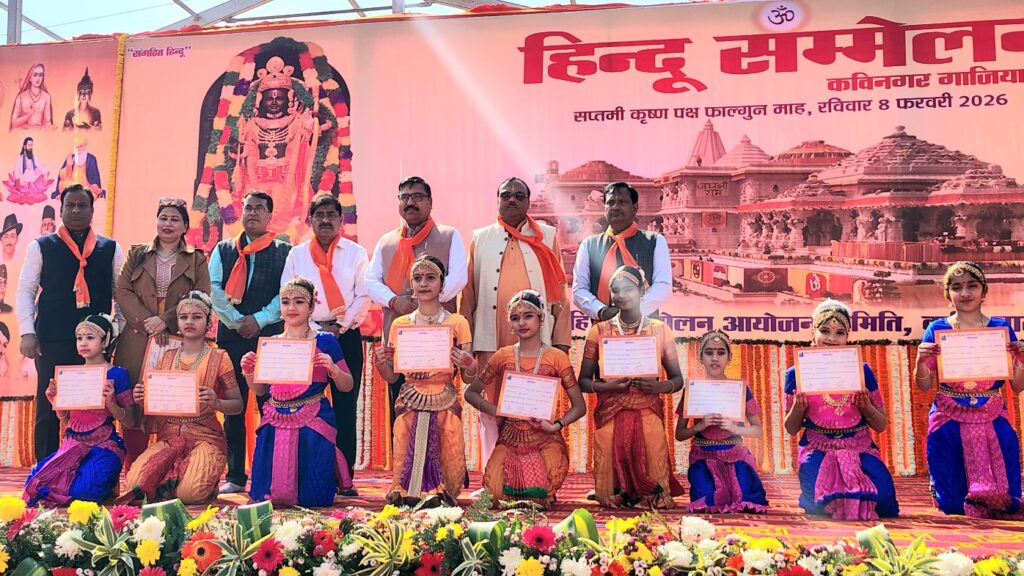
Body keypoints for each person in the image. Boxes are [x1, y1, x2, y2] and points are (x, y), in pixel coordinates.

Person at [461, 177, 570, 466]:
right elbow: (469, 293)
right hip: (491, 338)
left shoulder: (546, 235)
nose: (512, 199)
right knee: (491, 409)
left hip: (536, 343)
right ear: (497, 200)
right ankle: (493, 474)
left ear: (528, 202)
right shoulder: (481, 238)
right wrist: (466, 341)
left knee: (532, 409)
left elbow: (560, 293)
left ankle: (531, 474)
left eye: (519, 195)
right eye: (505, 195)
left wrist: (561, 343)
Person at [17, 184, 124, 462]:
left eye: (82, 205)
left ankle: (85, 467)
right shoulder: (41, 246)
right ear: (62, 209)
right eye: (70, 205)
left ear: (92, 210)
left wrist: (118, 333)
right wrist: (27, 332)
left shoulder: (110, 248)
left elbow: (121, 295)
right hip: (51, 340)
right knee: (48, 407)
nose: (76, 210)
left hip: (95, 345)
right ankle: (45, 470)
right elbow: (25, 291)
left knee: (92, 407)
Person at [916, 261, 1024, 518]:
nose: (965, 293)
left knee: (1006, 498)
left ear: (984, 291)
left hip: (991, 412)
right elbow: (924, 385)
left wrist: (1021, 361)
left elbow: (1018, 386)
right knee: (953, 505)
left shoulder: (1000, 328)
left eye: (972, 286)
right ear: (947, 294)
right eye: (957, 287)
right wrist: (920, 362)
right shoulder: (937, 329)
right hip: (948, 415)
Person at [464, 289, 585, 508]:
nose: (521, 323)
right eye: (515, 317)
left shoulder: (556, 357)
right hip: (510, 436)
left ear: (541, 318)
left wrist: (556, 425)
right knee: (495, 494)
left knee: (540, 491)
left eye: (528, 316)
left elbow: (579, 406)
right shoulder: (503, 356)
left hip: (544, 437)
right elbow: (470, 393)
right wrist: (495, 410)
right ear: (510, 323)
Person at [282, 192, 369, 495]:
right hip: (306, 339)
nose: (326, 220)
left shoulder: (356, 253)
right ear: (310, 220)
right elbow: (287, 292)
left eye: (332, 214)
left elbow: (364, 294)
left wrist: (339, 327)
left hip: (346, 336)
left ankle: (345, 479)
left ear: (341, 219)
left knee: (345, 406)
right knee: (304, 403)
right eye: (319, 215)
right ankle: (304, 471)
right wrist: (316, 330)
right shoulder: (297, 255)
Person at [115, 198, 211, 470]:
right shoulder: (137, 254)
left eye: (175, 219)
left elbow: (202, 294)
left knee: (172, 399)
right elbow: (122, 290)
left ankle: (170, 471)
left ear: (185, 226)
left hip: (176, 338)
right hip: (137, 336)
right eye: (163, 218)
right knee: (135, 401)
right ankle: (135, 470)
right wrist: (148, 321)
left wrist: (166, 320)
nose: (168, 224)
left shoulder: (197, 259)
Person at [241, 277, 355, 506]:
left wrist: (333, 369)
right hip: (275, 420)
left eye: (299, 302)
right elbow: (260, 390)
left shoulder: (325, 341)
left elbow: (347, 385)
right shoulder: (271, 343)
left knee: (313, 498)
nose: (291, 308)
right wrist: (249, 372)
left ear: (312, 307)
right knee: (264, 496)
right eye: (285, 302)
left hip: (313, 419)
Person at [373, 255, 477, 506]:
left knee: (449, 439)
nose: (423, 283)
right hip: (410, 398)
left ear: (442, 285)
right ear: (411, 284)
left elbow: (467, 377)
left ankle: (441, 490)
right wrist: (381, 364)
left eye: (430, 278)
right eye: (418, 278)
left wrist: (470, 365)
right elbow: (392, 376)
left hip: (444, 398)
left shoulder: (457, 323)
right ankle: (406, 489)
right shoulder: (400, 324)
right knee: (403, 434)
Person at [578, 265, 684, 508]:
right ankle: (616, 490)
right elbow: (583, 381)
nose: (621, 295)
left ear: (642, 291)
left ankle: (647, 492)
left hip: (648, 406)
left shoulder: (660, 329)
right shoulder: (598, 331)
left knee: (652, 448)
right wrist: (608, 386)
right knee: (607, 448)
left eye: (628, 289)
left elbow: (677, 379)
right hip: (611, 408)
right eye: (616, 290)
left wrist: (659, 387)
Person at [122, 291, 243, 504]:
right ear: (177, 322)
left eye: (197, 317)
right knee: (135, 488)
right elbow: (159, 402)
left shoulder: (219, 357)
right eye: (183, 317)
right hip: (170, 436)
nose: (189, 322)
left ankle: (202, 480)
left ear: (208, 323)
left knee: (190, 494)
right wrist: (143, 399)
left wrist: (216, 402)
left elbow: (238, 405)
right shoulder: (167, 357)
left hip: (205, 436)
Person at [784, 299, 898, 521]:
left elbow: (881, 424)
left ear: (848, 337)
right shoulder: (796, 372)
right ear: (813, 333)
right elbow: (791, 428)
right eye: (825, 331)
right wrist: (798, 408)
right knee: (820, 502)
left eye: (839, 333)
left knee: (883, 501)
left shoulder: (862, 371)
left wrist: (866, 407)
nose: (832, 338)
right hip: (818, 447)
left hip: (858, 446)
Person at [209, 191, 291, 494]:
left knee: (269, 405)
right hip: (231, 338)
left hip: (269, 337)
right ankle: (235, 475)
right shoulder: (223, 249)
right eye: (248, 208)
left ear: (270, 216)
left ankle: (268, 472)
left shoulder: (285, 251)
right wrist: (236, 321)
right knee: (234, 406)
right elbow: (214, 288)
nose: (253, 213)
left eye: (259, 208)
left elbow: (285, 292)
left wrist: (259, 319)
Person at [365, 176, 466, 421]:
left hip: (437, 336)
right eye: (405, 197)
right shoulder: (386, 241)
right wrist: (394, 301)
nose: (410, 202)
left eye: (417, 197)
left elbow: (458, 277)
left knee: (440, 409)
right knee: (401, 409)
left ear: (430, 202)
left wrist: (426, 302)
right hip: (398, 335)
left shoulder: (448, 235)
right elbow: (370, 281)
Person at [23, 314, 132, 506]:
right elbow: (68, 422)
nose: (83, 343)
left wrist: (111, 403)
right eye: (79, 338)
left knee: (84, 493)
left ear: (105, 341)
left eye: (90, 337)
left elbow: (131, 421)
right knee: (34, 486)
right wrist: (55, 402)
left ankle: (105, 482)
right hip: (73, 445)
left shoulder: (117, 374)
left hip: (104, 445)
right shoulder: (70, 375)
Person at [675, 330, 768, 513]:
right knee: (708, 497)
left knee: (746, 493)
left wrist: (735, 428)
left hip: (735, 454)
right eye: (709, 353)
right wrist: (700, 426)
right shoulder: (693, 389)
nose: (715, 358)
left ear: (729, 358)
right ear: (701, 358)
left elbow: (757, 430)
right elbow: (679, 434)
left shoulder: (739, 389)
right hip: (703, 456)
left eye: (721, 353)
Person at [234, 56, 317, 236]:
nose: (273, 102)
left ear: (288, 99)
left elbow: (303, 149)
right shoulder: (251, 125)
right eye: (269, 98)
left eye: (279, 98)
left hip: (287, 184)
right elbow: (245, 155)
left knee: (287, 216)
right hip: (256, 183)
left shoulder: (297, 123)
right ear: (260, 100)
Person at [572, 181, 671, 322]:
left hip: (645, 326)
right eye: (610, 202)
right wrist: (602, 312)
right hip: (601, 326)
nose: (616, 207)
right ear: (604, 208)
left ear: (635, 208)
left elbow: (663, 286)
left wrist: (633, 313)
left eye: (622, 202)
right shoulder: (589, 245)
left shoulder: (654, 241)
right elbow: (579, 290)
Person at [3, 137, 54, 204]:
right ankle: (27, 190)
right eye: (29, 145)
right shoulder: (20, 158)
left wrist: (45, 173)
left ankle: (32, 188)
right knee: (21, 183)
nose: (30, 147)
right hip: (23, 181)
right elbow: (16, 172)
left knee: (42, 171)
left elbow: (39, 166)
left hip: (33, 179)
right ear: (24, 146)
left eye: (31, 145)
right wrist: (19, 178)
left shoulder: (33, 156)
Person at [53, 136, 103, 200]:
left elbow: (95, 178)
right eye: (77, 147)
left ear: (85, 146)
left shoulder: (91, 159)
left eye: (81, 146)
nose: (79, 149)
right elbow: (63, 177)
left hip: (86, 188)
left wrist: (95, 186)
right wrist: (68, 165)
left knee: (92, 195)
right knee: (63, 183)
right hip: (71, 186)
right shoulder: (71, 157)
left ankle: (71, 197)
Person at [9, 63, 53, 130]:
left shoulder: (46, 97)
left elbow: (47, 122)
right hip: (24, 131)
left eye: (41, 75)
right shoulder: (21, 97)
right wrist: (29, 115)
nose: (38, 78)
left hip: (40, 132)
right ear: (29, 78)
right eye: (35, 75)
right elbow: (14, 123)